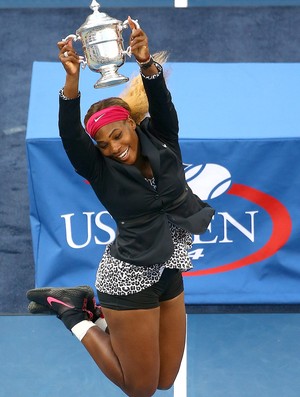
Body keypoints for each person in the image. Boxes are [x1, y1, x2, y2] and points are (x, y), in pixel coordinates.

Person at [27, 16, 214, 397]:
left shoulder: (163, 138)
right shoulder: (100, 170)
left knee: (165, 379)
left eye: (117, 135)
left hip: (168, 267)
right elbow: (70, 135)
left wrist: (146, 64)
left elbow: (160, 100)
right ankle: (74, 313)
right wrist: (71, 83)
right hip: (127, 279)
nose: (113, 147)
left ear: (131, 123)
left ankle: (93, 313)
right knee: (141, 388)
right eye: (103, 144)